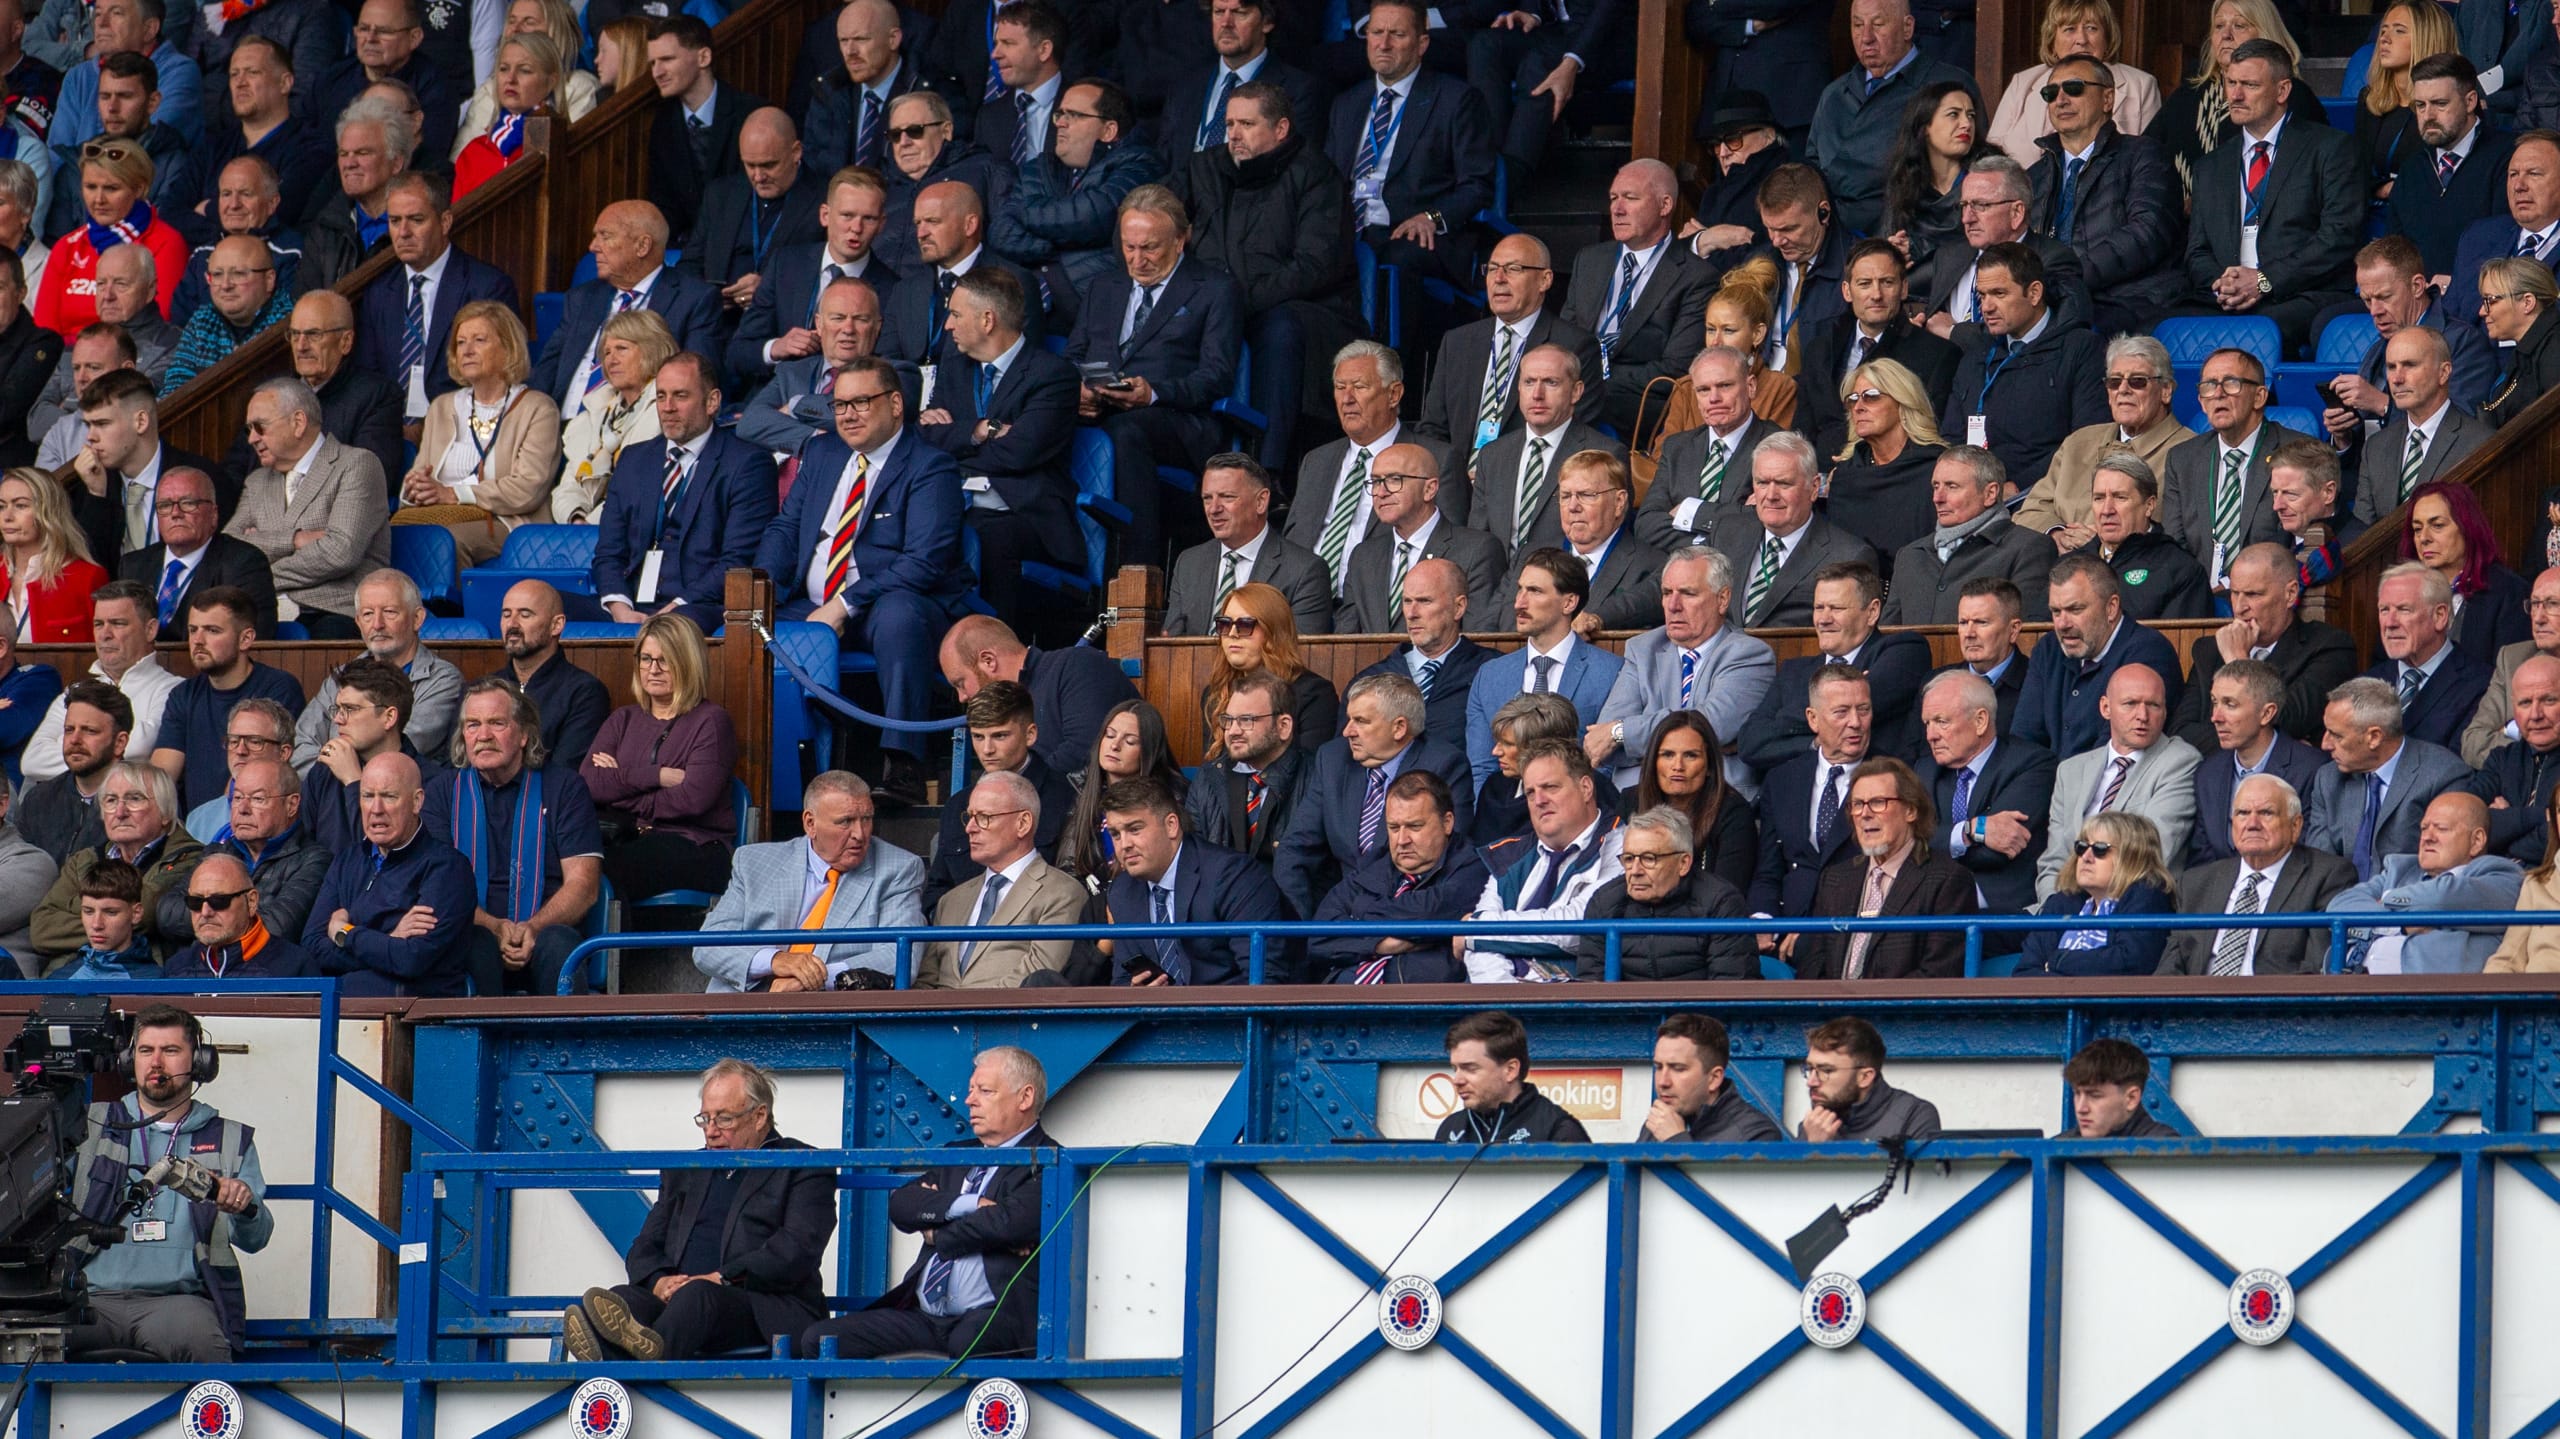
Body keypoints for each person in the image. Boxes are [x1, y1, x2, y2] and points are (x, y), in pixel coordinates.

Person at [756, 357, 971, 800]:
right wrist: (763, 588)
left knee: (900, 618)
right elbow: (785, 530)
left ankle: (903, 767)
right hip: (810, 601)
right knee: (747, 626)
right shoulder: (823, 451)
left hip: (887, 603)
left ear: (895, 404)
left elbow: (924, 562)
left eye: (860, 402)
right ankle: (763, 772)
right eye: (839, 405)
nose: (848, 415)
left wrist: (843, 604)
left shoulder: (932, 466)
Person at [563, 1059, 834, 1362]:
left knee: (697, 1297)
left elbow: (794, 1252)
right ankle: (641, 1359)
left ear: (759, 1116)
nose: (711, 1132)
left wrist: (721, 1278)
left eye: (724, 1119)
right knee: (622, 1299)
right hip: (681, 1305)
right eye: (705, 1119)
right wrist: (658, 1281)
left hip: (761, 1308)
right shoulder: (687, 1170)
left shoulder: (803, 1166)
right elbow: (645, 1246)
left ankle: (627, 1365)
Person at [792, 1049, 1046, 1357]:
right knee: (820, 1340)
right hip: (924, 1316)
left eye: (985, 1091)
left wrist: (938, 1233)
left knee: (966, 1345)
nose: (970, 1100)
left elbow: (1009, 1224)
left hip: (992, 1316)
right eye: (970, 1090)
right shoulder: (955, 1153)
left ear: (1025, 1097)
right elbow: (903, 1204)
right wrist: (970, 1205)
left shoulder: (1048, 1159)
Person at [1170, 79, 1360, 471]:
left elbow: (1315, 265)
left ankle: (1268, 468)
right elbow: (1155, 214)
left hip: (1298, 309)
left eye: (1247, 125)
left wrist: (1238, 302)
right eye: (1229, 125)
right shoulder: (1205, 167)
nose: (1234, 135)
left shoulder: (1316, 174)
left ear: (1281, 129)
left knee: (1281, 328)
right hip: (1213, 302)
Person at [64, 1004, 270, 1363]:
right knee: (24, 1343)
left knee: (207, 1349)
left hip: (177, 1303)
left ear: (200, 1062)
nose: (156, 1062)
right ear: (130, 1061)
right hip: (89, 1298)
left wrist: (245, 1205)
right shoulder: (88, 1124)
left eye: (171, 1051)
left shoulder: (230, 1138)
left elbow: (257, 1238)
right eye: (146, 1051)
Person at [1065, 186, 1242, 571]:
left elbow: (1217, 376)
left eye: (1150, 248)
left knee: (1129, 430)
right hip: (1103, 409)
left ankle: (1137, 574)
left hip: (1177, 420)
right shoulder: (1103, 287)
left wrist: (1154, 393)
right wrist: (1080, 389)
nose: (1137, 259)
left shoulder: (1214, 289)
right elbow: (1074, 357)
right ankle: (1065, 557)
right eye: (1129, 247)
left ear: (1181, 240)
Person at [915, 267, 1081, 632]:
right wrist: (979, 430)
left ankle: (999, 662)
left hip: (1023, 515)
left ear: (987, 319)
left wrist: (955, 440)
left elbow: (1018, 453)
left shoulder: (1054, 375)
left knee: (985, 536)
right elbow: (924, 438)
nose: (947, 326)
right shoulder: (955, 363)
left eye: (956, 315)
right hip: (956, 501)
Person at [419, 677, 603, 997]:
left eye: (497, 723)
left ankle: (560, 1046)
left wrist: (532, 928)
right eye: (473, 724)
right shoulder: (441, 793)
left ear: (524, 734)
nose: (484, 735)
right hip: (475, 932)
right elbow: (439, 889)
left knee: (560, 945)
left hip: (547, 933)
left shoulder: (565, 788)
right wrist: (496, 927)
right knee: (472, 942)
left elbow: (583, 885)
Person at [2177, 39, 2362, 351]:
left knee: (2263, 329)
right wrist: (2225, 285)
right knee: (2158, 329)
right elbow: (2197, 251)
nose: (2235, 95)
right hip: (2226, 297)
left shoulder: (2331, 149)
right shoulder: (2210, 166)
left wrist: (2263, 281)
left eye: (2249, 85)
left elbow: (2338, 238)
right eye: (2231, 83)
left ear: (2282, 91)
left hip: (2299, 295)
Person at [583, 352, 775, 633]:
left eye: (680, 396)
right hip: (630, 605)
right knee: (538, 607)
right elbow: (609, 550)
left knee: (668, 632)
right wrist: (619, 605)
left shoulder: (748, 464)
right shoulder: (634, 458)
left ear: (712, 402)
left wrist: (679, 605)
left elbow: (738, 562)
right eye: (661, 396)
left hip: (699, 607)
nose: (668, 407)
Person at [1322, 0, 1496, 295]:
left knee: (1389, 258)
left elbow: (1478, 185)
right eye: (1376, 32)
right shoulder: (1347, 104)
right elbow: (1325, 181)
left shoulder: (1456, 100)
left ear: (1422, 43)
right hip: (1347, 231)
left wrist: (1433, 217)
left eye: (1397, 34)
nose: (1384, 44)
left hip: (1409, 233)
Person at [697, 770, 923, 991]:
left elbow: (900, 956)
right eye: (845, 822)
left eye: (866, 819)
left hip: (829, 1012)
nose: (860, 834)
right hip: (743, 1004)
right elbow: (708, 947)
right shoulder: (754, 863)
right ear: (810, 823)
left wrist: (813, 979)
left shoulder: (898, 869)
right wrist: (776, 960)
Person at [1272, 671, 1474, 915]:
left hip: (1406, 916)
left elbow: (1449, 862)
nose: (1347, 731)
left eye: (1361, 721)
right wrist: (1302, 928)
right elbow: (1295, 849)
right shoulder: (1333, 759)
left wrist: (1378, 931)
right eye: (1348, 719)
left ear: (1399, 728)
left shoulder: (1444, 765)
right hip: (1338, 913)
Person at [1415, 232, 1603, 484]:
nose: (1499, 279)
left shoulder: (1574, 345)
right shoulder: (1458, 342)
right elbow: (1433, 429)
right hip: (1453, 488)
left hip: (1522, 487)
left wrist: (1491, 479)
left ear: (1544, 280)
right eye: (1492, 269)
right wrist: (1451, 482)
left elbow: (1572, 438)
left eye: (1513, 269)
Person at [580, 613, 741, 904]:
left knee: (604, 871)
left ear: (687, 663)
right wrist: (657, 776)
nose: (653, 669)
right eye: (645, 659)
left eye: (664, 660)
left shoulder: (712, 722)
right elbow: (590, 783)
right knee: (571, 863)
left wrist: (620, 785)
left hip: (696, 845)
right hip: (628, 835)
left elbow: (692, 800)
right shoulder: (623, 719)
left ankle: (617, 952)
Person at [2026, 57, 2184, 335]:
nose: (2060, 100)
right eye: (2050, 93)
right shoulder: (2034, 176)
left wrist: (2069, 277)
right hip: (2055, 300)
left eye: (2074, 88)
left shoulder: (2143, 155)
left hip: (2129, 301)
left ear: (2108, 99)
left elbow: (2146, 233)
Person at [1554, 160, 1710, 443]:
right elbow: (1567, 336)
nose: (1617, 208)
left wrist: (1593, 380)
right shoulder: (1589, 260)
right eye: (1614, 198)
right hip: (1577, 388)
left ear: (1665, 206)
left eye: (1630, 198)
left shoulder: (1696, 276)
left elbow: (1677, 367)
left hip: (1637, 400)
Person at [1591, 547, 1775, 783]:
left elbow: (1711, 725)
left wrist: (1622, 733)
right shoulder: (1643, 648)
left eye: (1688, 593)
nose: (1673, 605)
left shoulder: (1749, 655)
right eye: (1667, 593)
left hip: (1711, 798)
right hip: (1640, 798)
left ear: (1722, 599)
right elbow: (1604, 743)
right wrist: (1707, 747)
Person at [226, 376, 390, 639]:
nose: (252, 439)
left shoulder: (356, 465)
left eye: (259, 427)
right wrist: (295, 540)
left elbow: (339, 552)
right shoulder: (257, 481)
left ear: (298, 422)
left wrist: (256, 575)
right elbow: (229, 549)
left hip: (331, 613)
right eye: (249, 430)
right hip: (263, 611)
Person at [356, 173, 522, 431]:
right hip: (389, 434)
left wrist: (429, 428)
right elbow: (369, 378)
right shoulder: (378, 293)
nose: (403, 233)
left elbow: (498, 375)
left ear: (445, 222)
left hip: (459, 428)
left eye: (416, 220)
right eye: (394, 221)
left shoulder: (487, 286)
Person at [1938, 242, 2105, 494]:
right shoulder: (1975, 356)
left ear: (2035, 293)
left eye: (1999, 293)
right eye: (1982, 295)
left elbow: (2086, 443)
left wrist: (2019, 485)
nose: (1986, 307)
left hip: (2046, 495)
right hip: (1975, 498)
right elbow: (1951, 439)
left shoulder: (2080, 349)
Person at [992, 79, 1163, 324]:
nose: (1060, 123)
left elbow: (1094, 217)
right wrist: (1065, 243)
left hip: (1095, 313)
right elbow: (1001, 232)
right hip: (1031, 311)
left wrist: (1029, 218)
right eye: (1060, 114)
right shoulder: (1038, 169)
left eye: (1074, 115)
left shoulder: (1139, 164)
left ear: (1108, 131)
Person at [1101, 774, 1298, 985]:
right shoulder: (1122, 892)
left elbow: (1263, 978)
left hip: (1230, 1013)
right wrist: (1135, 994)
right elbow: (1122, 979)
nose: (1124, 844)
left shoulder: (1233, 876)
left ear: (1171, 825)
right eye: (1115, 834)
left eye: (1134, 829)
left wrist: (1191, 1009)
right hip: (1162, 1016)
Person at [1734, 561, 1931, 773]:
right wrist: (1814, 744)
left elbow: (1857, 706)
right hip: (1800, 793)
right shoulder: (1794, 671)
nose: (1824, 619)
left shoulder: (1904, 651)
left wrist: (1782, 722)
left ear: (1872, 612)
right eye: (1819, 608)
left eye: (1836, 608)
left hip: (1872, 793)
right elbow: (1749, 743)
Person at [305, 751, 474, 995]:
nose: (376, 809)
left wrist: (345, 933)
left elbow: (410, 959)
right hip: (349, 1006)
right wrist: (389, 939)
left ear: (417, 802)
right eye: (367, 796)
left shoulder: (447, 868)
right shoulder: (347, 860)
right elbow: (312, 947)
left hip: (416, 1016)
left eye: (389, 796)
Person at [1803, 0, 1974, 237]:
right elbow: (1812, 169)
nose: (1866, 37)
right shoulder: (1834, 94)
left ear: (1908, 28)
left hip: (1908, 234)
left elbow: (1970, 171)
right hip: (1833, 236)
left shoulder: (1948, 86)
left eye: (1879, 24)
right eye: (1857, 25)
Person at [28, 88, 187, 343]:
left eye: (111, 188)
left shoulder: (165, 242)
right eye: (90, 187)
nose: (98, 199)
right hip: (65, 369)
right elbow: (45, 335)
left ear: (138, 189)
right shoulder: (67, 247)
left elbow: (160, 326)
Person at [1457, 739, 1624, 982]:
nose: (1539, 800)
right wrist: (1505, 993)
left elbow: (1579, 927)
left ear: (1586, 788)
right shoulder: (1508, 854)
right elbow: (1476, 945)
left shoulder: (1622, 845)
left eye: (1551, 787)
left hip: (1577, 1004)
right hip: (1501, 1005)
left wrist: (1478, 931)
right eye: (1530, 792)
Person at [1304, 770, 1487, 985]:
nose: (1402, 840)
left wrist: (1358, 917)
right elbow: (1318, 939)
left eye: (1414, 827)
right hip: (1345, 998)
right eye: (1393, 827)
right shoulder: (1373, 865)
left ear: (1447, 822)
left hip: (1422, 1005)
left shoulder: (1473, 867)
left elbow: (1428, 912)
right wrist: (1380, 945)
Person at [531, 202, 719, 410]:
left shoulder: (693, 299)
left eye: (605, 236)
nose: (593, 246)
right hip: (562, 425)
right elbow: (546, 370)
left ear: (642, 246)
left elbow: (696, 380)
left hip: (638, 427)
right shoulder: (582, 298)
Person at [2016, 335, 2196, 551]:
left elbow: (2182, 537)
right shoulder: (2078, 442)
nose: (2123, 390)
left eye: (2137, 381)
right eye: (2114, 382)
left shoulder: (2190, 452)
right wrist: (2056, 534)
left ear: (2166, 390)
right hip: (2055, 563)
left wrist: (2100, 546)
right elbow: (2029, 511)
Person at [2034, 661, 2199, 894]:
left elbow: (2153, 854)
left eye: (2153, 705)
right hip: (2065, 907)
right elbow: (2053, 863)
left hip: (2130, 908)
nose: (2142, 715)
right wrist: (2057, 911)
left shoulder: (2180, 761)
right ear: (2105, 707)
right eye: (2130, 704)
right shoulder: (2070, 770)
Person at [1463, 548, 1623, 786]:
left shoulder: (1611, 672)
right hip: (1504, 814)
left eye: (1535, 591)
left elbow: (1607, 765)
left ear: (1569, 602)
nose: (1519, 603)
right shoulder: (1490, 675)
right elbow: (1481, 768)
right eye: (1520, 589)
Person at [728, 168, 898, 387]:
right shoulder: (785, 266)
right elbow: (738, 353)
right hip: (776, 396)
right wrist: (777, 347)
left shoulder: (893, 289)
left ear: (882, 224)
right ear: (825, 215)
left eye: (869, 218)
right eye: (847, 215)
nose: (856, 228)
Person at [913, 772, 1083, 989]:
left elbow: (1037, 976)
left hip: (1008, 1020)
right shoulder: (951, 900)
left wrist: (961, 1012)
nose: (969, 828)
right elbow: (926, 981)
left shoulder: (1062, 893)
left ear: (1022, 823)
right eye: (969, 817)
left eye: (984, 817)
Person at [1796, 243, 1962, 464]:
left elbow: (1928, 437)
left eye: (1887, 282)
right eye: (1865, 284)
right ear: (1847, 291)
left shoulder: (1938, 355)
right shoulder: (1819, 350)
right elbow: (1802, 431)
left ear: (1903, 288)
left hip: (1888, 481)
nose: (1876, 294)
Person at [1915, 668, 2056, 927]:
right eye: (1927, 723)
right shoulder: (1925, 770)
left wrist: (1941, 841)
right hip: (1935, 909)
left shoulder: (2032, 764)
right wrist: (1972, 831)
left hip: (2003, 915)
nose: (1931, 735)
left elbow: (2000, 850)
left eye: (1941, 721)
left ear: (1980, 720)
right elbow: (1910, 841)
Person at [26, 758, 199, 962]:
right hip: (76, 979)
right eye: (110, 800)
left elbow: (147, 914)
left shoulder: (190, 857)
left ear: (165, 813)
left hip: (144, 981)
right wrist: (115, 919)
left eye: (134, 799)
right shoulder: (83, 860)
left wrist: (77, 907)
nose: (120, 812)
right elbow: (41, 930)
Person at [2329, 791, 2524, 972]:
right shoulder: (2401, 868)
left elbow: (2444, 896)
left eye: (2441, 829)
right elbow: (2339, 906)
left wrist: (2386, 899)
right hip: (2349, 985)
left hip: (2430, 999)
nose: (2428, 838)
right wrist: (2400, 925)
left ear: (2477, 841)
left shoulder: (2502, 875)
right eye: (2424, 828)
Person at [2012, 554, 2183, 759]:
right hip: (2049, 785)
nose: (2062, 624)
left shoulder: (2150, 652)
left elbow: (2117, 753)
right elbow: (2023, 740)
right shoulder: (2049, 649)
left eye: (2075, 609)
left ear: (2110, 608)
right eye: (2056, 612)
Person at [1457, 343, 1619, 560]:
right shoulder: (1492, 455)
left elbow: (1609, 544)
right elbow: (1478, 542)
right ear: (1519, 389)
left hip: (1566, 584)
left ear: (1576, 391)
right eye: (1529, 382)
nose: (1537, 394)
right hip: (1499, 588)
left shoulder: (1606, 453)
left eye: (1551, 383)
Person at [2306, 675, 2477, 879]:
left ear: (2374, 737)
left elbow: (2443, 868)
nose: (2325, 744)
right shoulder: (2328, 779)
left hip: (2410, 903)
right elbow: (2320, 867)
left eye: (2337, 735)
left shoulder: (2443, 775)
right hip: (2341, 904)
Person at [923, 680, 1075, 908]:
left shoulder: (1065, 797)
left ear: (1030, 734)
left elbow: (1073, 886)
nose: (987, 750)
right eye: (978, 737)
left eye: (1000, 736)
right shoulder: (958, 806)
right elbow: (937, 891)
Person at [290, 569, 463, 768]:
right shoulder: (340, 678)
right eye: (368, 614)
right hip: (327, 796)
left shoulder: (443, 680)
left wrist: (341, 769)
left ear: (417, 619)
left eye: (389, 612)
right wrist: (338, 776)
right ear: (357, 622)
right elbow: (300, 748)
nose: (377, 624)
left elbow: (403, 751)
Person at [148, 587, 301, 812]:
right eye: (192, 630)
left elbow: (252, 778)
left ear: (245, 638)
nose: (198, 640)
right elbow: (161, 778)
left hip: (247, 823)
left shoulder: (279, 687)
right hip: (192, 832)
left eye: (212, 630)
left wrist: (212, 829)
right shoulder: (183, 694)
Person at [2326, 237, 2498, 437]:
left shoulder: (2463, 343)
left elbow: (2462, 430)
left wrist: (2382, 405)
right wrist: (2343, 436)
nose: (2375, 311)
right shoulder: (2376, 350)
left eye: (2384, 297)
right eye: (2367, 300)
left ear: (2417, 286)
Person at [1710, 431, 1877, 629]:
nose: (1771, 495)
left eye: (1783, 483)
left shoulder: (1849, 555)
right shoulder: (1727, 533)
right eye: (1762, 483)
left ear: (1814, 487)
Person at [936, 615, 1138, 777]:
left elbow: (1084, 750)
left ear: (988, 661)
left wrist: (1011, 792)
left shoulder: (1077, 664)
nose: (962, 697)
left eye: (960, 683)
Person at [66, 365, 221, 571]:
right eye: (89, 425)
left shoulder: (201, 477)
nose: (90, 436)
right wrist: (97, 496)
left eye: (102, 424)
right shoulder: (91, 483)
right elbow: (87, 571)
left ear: (140, 421)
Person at [19, 580, 174, 782]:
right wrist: (103, 755)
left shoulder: (171, 688)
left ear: (150, 629)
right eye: (98, 624)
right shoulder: (75, 691)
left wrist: (76, 754)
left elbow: (139, 746)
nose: (105, 635)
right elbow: (32, 761)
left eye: (118, 623)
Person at [1919, 156, 2092, 336]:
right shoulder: (1949, 255)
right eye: (1964, 205)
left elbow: (2053, 334)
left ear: (2016, 212)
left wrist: (1955, 332)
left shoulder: (2051, 260)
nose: (1966, 218)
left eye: (1981, 205)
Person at [1633, 349, 1785, 553]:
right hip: (1673, 571)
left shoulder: (1779, 447)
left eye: (1725, 386)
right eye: (1703, 390)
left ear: (1750, 386)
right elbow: (1646, 524)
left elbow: (1761, 523)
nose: (1714, 398)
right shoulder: (1677, 447)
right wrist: (1702, 546)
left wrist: (1690, 510)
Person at [1165, 456, 1331, 639]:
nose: (1213, 509)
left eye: (1227, 497)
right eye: (1207, 498)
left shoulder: (1305, 570)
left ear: (1260, 502)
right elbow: (1172, 647)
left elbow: (1303, 656)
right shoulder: (1188, 563)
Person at [2184, 657, 2328, 867]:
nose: (2216, 717)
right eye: (2215, 702)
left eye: (2230, 704)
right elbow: (2201, 863)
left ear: (2267, 713)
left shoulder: (2314, 771)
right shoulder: (2208, 773)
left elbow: (2309, 858)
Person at [682, 108, 823, 320]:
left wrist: (769, 288)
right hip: (717, 323)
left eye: (768, 165)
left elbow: (830, 274)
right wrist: (708, 296)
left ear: (796, 152)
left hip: (782, 326)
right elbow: (690, 265)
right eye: (750, 165)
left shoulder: (824, 198)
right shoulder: (720, 195)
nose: (758, 177)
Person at [1886, 446, 2053, 624]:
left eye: (1952, 486)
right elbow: (1887, 635)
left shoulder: (2029, 548)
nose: (1938, 498)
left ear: (1990, 494)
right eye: (1936, 486)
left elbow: (2025, 632)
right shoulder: (1911, 555)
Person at [1820, 358, 1952, 575]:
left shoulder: (1935, 469)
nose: (1859, 407)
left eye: (1871, 397)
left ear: (1903, 401)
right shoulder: (1846, 476)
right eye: (1853, 399)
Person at [1988, 0, 2161, 163]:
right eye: (2070, 29)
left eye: (2092, 28)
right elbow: (1990, 157)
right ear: (2052, 40)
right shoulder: (2023, 83)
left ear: (2106, 37)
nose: (2082, 40)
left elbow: (2149, 160)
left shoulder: (2141, 86)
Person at [735, 275, 885, 463]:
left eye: (860, 319)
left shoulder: (893, 374)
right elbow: (750, 423)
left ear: (877, 326)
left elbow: (869, 415)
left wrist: (796, 406)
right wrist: (815, 439)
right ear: (819, 325)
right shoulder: (791, 372)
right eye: (838, 318)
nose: (848, 328)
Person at [2389, 55, 2516, 277]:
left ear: (2470, 101)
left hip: (2482, 300)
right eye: (2420, 105)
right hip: (2420, 301)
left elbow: (2507, 247)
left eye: (2440, 104)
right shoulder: (2412, 169)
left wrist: (2458, 287)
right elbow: (2395, 252)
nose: (2428, 115)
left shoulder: (2509, 158)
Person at [118, 465, 273, 643]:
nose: (176, 513)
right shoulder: (133, 565)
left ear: (213, 514)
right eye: (165, 505)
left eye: (188, 503)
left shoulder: (244, 563)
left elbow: (254, 637)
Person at [548, 309, 672, 527]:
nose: (611, 360)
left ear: (652, 351)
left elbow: (637, 488)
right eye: (606, 353)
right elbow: (568, 486)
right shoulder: (594, 410)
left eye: (621, 349)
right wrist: (576, 519)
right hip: (584, 530)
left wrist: (593, 525)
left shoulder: (666, 409)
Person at [643, 16, 762, 242]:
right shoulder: (663, 125)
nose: (657, 72)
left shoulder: (751, 113)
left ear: (703, 57)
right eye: (652, 63)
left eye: (667, 59)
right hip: (687, 252)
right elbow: (663, 204)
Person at [2018, 810, 2178, 975]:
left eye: (2100, 849)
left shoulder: (2147, 897)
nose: (2086, 857)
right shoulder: (2061, 903)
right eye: (2081, 847)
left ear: (2133, 857)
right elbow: (2024, 973)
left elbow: (2130, 962)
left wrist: (2058, 961)